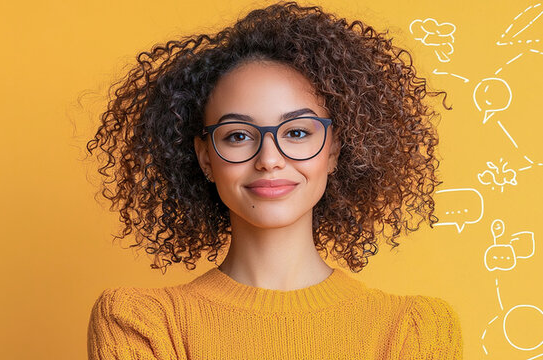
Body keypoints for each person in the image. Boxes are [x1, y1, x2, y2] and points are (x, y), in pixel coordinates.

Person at [83, 1, 464, 359]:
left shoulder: (413, 331)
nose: (269, 160)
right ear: (205, 158)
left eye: (297, 133)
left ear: (333, 151)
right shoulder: (142, 323)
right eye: (237, 135)